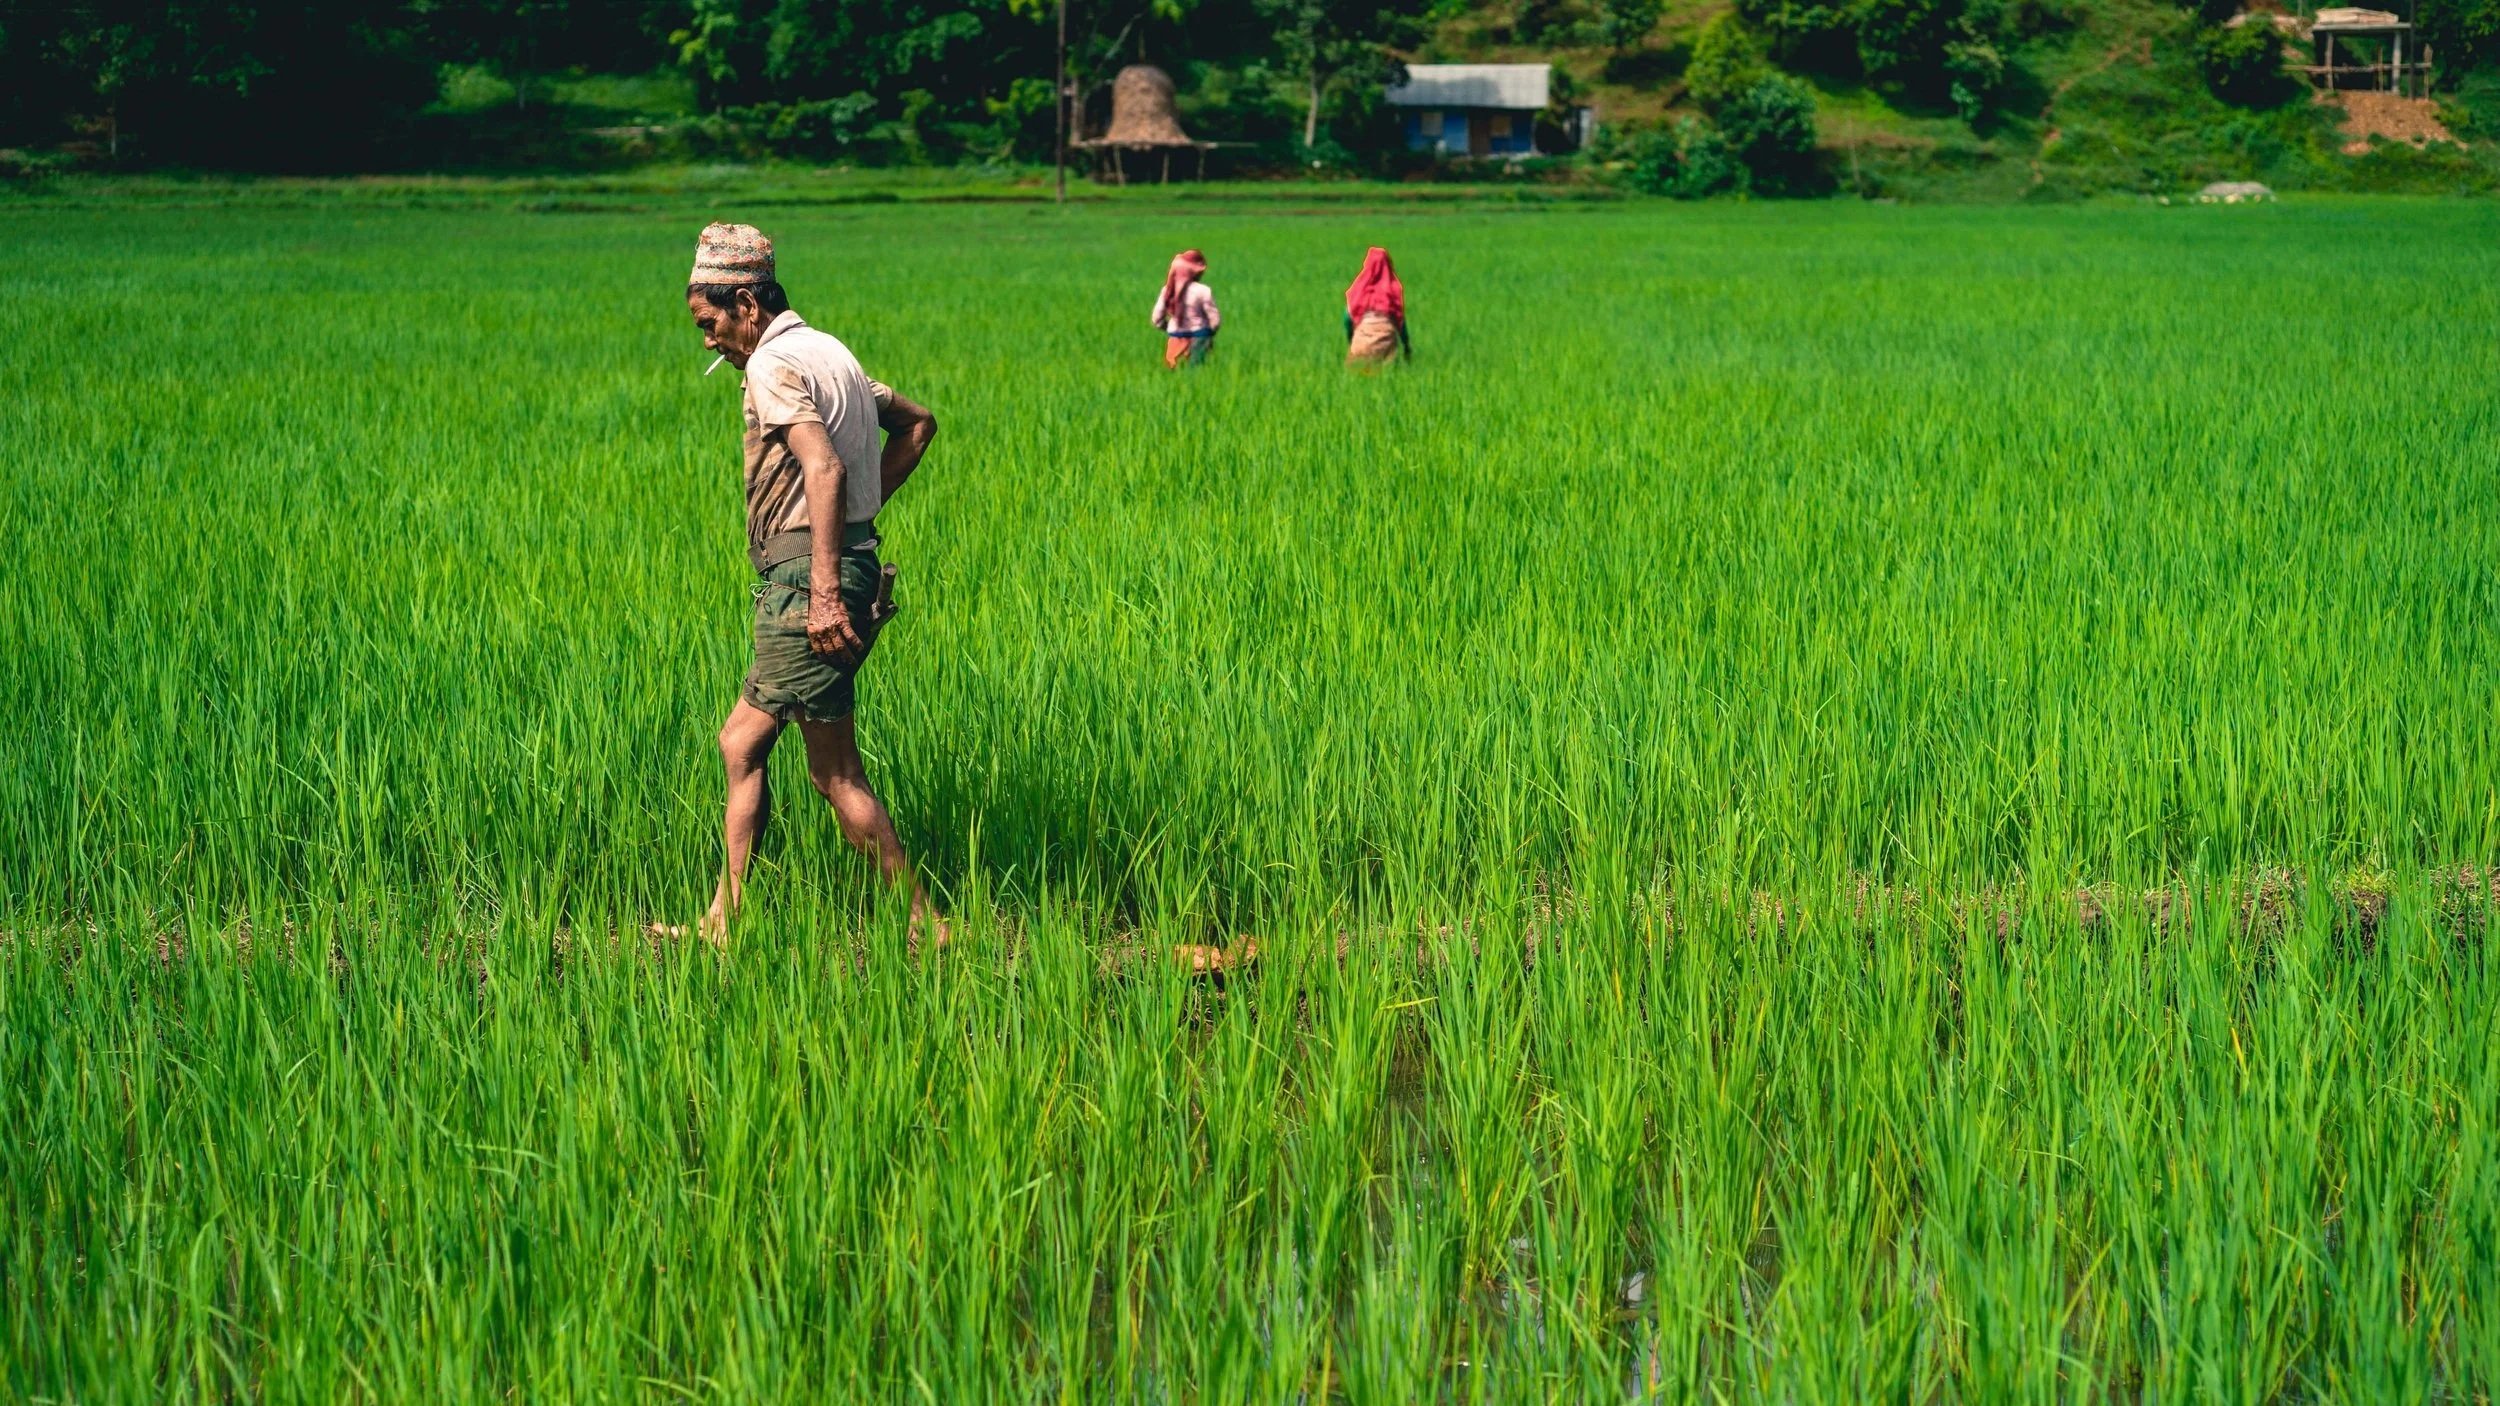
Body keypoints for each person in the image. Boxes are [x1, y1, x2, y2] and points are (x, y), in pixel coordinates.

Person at [669, 222, 945, 950]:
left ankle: (923, 924)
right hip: (831, 566)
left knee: (834, 774)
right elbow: (917, 424)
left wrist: (824, 588)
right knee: (741, 742)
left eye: (709, 322)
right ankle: (724, 919)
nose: (707, 340)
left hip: (806, 581)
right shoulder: (831, 353)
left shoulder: (771, 363)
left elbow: (821, 468)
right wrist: (863, 519)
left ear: (746, 304)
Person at [1150, 249, 1220, 368]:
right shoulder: (1203, 290)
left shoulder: (1168, 290)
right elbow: (1215, 320)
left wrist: (1167, 327)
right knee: (1198, 370)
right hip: (1200, 337)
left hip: (1176, 336)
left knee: (1174, 369)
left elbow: (1157, 319)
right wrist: (1210, 333)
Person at [1343, 246, 1411, 367]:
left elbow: (1347, 319)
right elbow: (1401, 323)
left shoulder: (1358, 289)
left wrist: (1351, 340)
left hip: (1360, 344)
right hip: (1386, 346)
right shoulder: (1392, 290)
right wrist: (1406, 347)